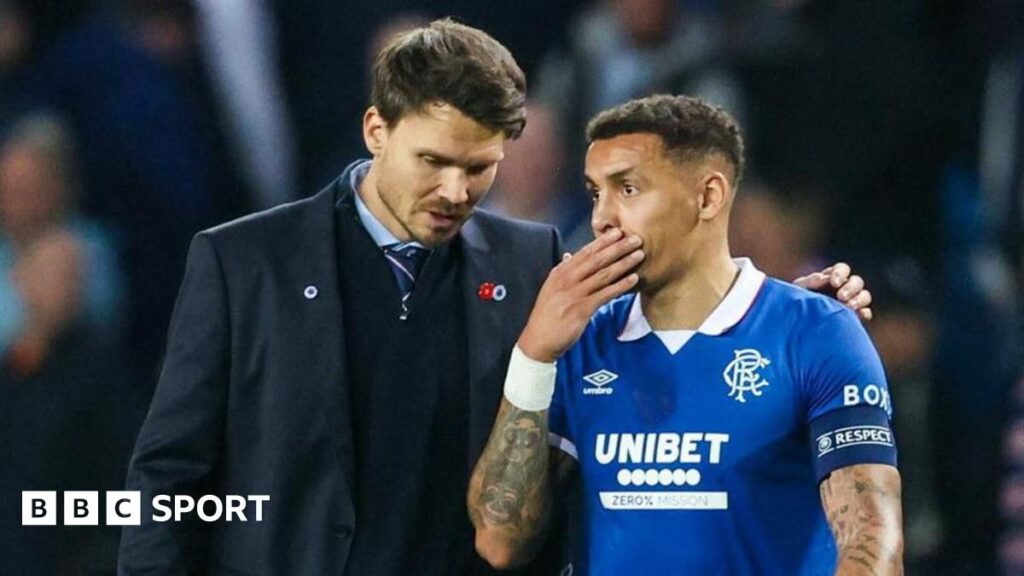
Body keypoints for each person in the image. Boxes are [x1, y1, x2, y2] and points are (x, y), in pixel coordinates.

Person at [120, 21, 872, 575]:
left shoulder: (532, 259)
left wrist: (788, 317)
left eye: (479, 167)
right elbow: (168, 482)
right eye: (433, 161)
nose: (456, 191)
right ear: (375, 129)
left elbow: (650, 337)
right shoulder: (242, 262)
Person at [469, 95, 901, 575]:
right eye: (595, 193)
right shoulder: (582, 343)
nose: (600, 219)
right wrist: (533, 355)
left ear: (708, 197)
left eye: (628, 189)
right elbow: (499, 540)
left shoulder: (813, 332)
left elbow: (872, 544)